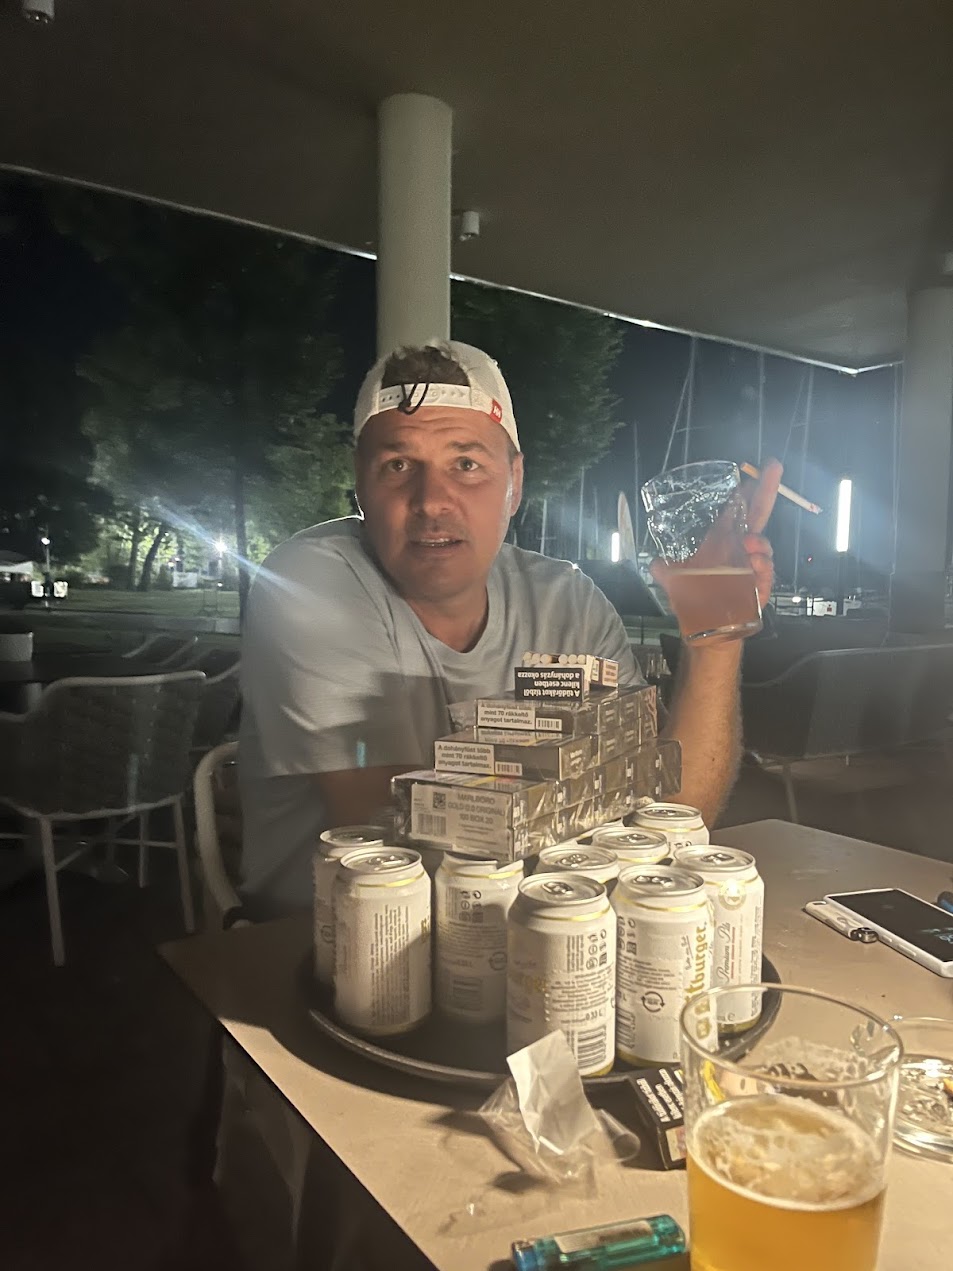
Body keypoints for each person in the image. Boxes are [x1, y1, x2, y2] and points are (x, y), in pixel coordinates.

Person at [239, 339, 780, 917]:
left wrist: (716, 640)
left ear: (514, 483)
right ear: (361, 486)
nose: (432, 501)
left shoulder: (568, 600)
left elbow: (672, 821)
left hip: (552, 920)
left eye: (466, 464)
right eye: (398, 466)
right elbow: (403, 851)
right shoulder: (309, 581)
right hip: (316, 937)